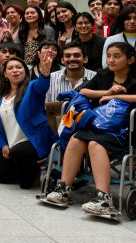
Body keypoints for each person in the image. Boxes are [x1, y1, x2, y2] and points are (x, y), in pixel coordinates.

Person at [44, 42, 136, 215]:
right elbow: (84, 91)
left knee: (94, 144)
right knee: (76, 138)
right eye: (109, 56)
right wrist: (107, 92)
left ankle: (104, 200)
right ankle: (64, 189)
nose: (111, 60)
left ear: (130, 59)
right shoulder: (104, 75)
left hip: (123, 132)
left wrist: (118, 96)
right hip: (99, 124)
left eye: (117, 56)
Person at [0, 54, 57, 189]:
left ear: (25, 71)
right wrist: (3, 145)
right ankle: (33, 167)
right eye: (11, 68)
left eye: (19, 67)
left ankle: (37, 169)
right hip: (12, 145)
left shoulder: (32, 87)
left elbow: (42, 85)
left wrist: (45, 73)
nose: (15, 70)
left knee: (24, 184)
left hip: (33, 140)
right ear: (5, 74)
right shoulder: (1, 96)